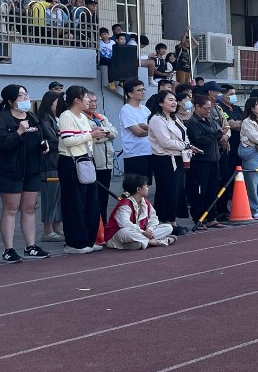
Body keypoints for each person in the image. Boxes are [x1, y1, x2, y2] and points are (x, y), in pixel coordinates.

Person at [0, 84, 52, 262]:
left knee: (30, 208)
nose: (25, 98)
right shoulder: (1, 119)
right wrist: (18, 132)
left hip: (32, 169)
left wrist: (44, 145)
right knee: (11, 208)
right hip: (10, 170)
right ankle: (8, 249)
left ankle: (30, 246)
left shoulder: (32, 117)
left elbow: (42, 137)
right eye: (21, 95)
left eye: (26, 94)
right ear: (10, 101)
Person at [56, 85, 106, 255]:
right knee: (74, 203)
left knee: (90, 202)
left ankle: (89, 239)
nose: (89, 101)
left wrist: (96, 135)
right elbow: (68, 140)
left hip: (86, 159)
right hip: (71, 161)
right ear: (77, 100)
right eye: (85, 97)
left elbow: (84, 138)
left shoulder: (83, 117)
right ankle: (75, 242)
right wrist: (91, 135)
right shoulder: (66, 115)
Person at [146, 89, 192, 235]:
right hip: (164, 159)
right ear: (161, 103)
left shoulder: (174, 118)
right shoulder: (156, 119)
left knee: (177, 190)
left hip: (178, 157)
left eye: (174, 100)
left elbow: (184, 135)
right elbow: (165, 142)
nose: (174, 103)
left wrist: (187, 145)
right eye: (170, 100)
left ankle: (172, 220)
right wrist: (185, 146)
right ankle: (166, 221)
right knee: (167, 190)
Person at [104, 173, 175, 249]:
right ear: (138, 189)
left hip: (140, 234)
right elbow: (125, 224)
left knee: (168, 227)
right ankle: (154, 242)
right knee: (125, 231)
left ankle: (139, 243)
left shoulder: (146, 203)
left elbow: (153, 219)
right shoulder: (125, 205)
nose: (148, 188)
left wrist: (149, 230)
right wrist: (143, 232)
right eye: (146, 186)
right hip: (117, 236)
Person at [186, 93, 223, 229]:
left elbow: (217, 132)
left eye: (210, 108)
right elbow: (198, 139)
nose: (208, 111)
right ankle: (198, 218)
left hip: (213, 159)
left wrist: (219, 135)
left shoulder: (210, 119)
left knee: (213, 189)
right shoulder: (193, 122)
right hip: (200, 161)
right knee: (200, 190)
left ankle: (212, 217)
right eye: (206, 108)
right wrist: (216, 135)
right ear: (197, 107)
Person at [86, 91, 119, 230]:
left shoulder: (101, 117)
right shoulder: (81, 119)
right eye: (90, 101)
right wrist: (104, 135)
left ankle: (103, 225)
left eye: (95, 101)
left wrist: (102, 132)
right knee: (93, 198)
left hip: (107, 162)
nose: (94, 104)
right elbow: (91, 138)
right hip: (94, 162)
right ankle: (94, 228)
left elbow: (114, 132)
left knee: (104, 198)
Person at [37, 89, 65, 242]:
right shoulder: (44, 119)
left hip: (58, 161)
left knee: (58, 197)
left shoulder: (55, 118)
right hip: (49, 163)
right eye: (57, 103)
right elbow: (52, 140)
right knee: (50, 197)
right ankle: (47, 230)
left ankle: (57, 227)